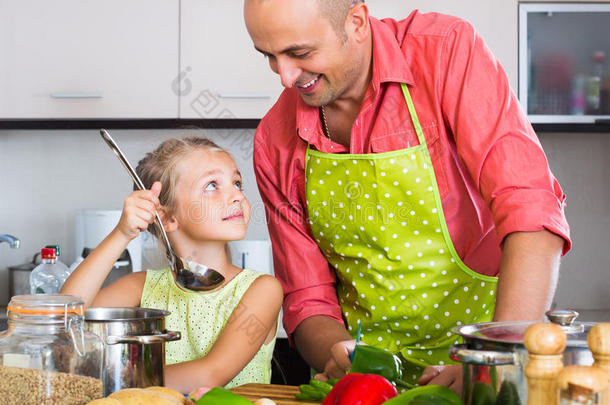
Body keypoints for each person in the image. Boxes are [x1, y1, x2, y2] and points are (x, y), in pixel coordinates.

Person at [244, 0, 570, 391]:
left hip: (489, 361)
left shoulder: (444, 52)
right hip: (367, 387)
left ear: (357, 22)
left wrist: (491, 362)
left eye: (300, 53)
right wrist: (343, 357)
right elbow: (307, 299)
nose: (285, 76)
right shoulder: (274, 139)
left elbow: (531, 210)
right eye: (268, 57)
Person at [60, 137, 283, 394]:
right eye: (212, 185)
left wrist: (118, 378)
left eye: (237, 183)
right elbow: (65, 319)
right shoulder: (141, 287)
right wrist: (121, 234)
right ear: (167, 218)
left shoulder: (262, 290)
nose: (236, 195)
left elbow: (211, 374)